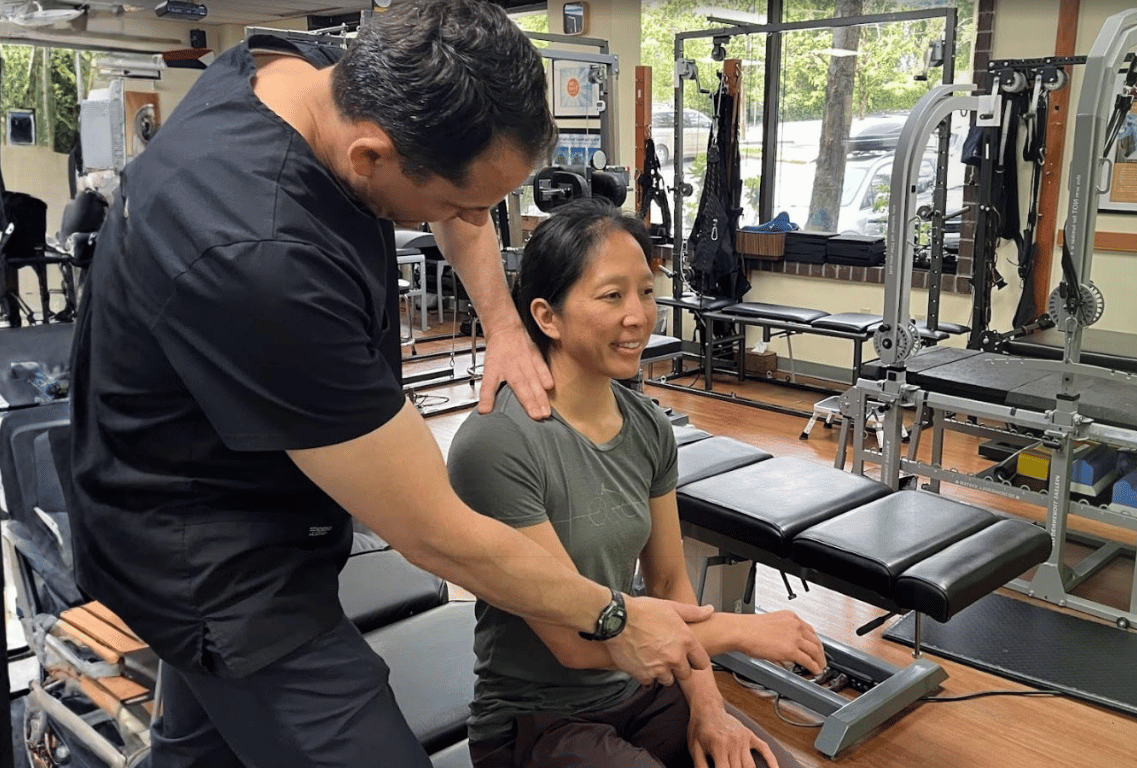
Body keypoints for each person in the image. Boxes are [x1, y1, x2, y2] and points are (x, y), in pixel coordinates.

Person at [67, 3, 711, 767]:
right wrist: (614, 616)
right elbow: (433, 533)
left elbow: (461, 205)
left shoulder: (308, 73)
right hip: (205, 551)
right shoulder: (262, 255)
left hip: (247, 467)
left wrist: (503, 325)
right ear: (369, 155)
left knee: (204, 748)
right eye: (460, 206)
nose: (472, 220)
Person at [447, 197, 826, 768]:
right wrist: (741, 631)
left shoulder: (648, 426)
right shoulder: (498, 442)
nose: (638, 316)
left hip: (642, 689)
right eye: (612, 296)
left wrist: (709, 708)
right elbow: (574, 642)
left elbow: (669, 579)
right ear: (547, 317)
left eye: (646, 292)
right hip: (536, 722)